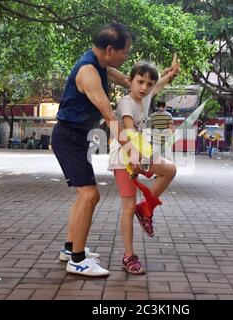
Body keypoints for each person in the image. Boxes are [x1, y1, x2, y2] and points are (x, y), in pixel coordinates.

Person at [51, 23, 133, 277]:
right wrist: (131, 151)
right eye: (125, 52)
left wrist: (139, 81)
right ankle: (77, 260)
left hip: (75, 138)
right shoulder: (88, 72)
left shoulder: (99, 64)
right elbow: (109, 115)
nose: (127, 56)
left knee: (84, 195)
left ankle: (69, 248)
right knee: (90, 195)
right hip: (69, 138)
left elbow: (119, 76)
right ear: (110, 49)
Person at [108, 60, 179, 274]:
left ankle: (145, 209)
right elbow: (128, 129)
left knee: (170, 170)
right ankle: (129, 256)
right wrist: (135, 157)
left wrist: (171, 74)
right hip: (124, 157)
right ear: (130, 81)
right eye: (140, 82)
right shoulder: (126, 103)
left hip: (142, 153)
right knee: (128, 208)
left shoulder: (146, 97)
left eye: (149, 84)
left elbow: (160, 85)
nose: (144, 88)